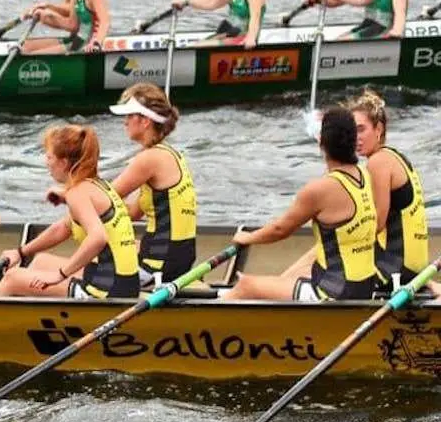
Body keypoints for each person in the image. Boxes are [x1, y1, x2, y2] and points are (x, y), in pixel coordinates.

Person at [221, 107, 377, 302]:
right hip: (363, 286)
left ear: (321, 141)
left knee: (246, 285)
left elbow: (280, 229)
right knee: (296, 271)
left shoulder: (320, 189)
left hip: (334, 293)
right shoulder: (365, 175)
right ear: (354, 141)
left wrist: (248, 238)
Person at [0, 125, 140, 298]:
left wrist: (60, 274)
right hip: (122, 280)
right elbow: (62, 229)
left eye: (49, 157)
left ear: (63, 162)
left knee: (12, 278)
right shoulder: (97, 185)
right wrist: (21, 252)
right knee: (40, 261)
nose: (46, 162)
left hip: (106, 289)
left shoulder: (78, 193)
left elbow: (98, 237)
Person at [105, 83, 197, 286]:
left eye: (129, 116)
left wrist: (69, 194)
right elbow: (133, 213)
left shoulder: (149, 158)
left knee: (78, 263)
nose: (125, 122)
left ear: (145, 121)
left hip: (159, 265)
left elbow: (103, 198)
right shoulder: (169, 153)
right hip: (176, 258)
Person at [345, 90, 431, 292]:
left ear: (379, 129)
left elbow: (377, 224)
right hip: (415, 266)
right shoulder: (396, 157)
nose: (355, 138)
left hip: (395, 269)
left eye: (361, 130)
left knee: (328, 256)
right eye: (351, 131)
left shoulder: (378, 162)